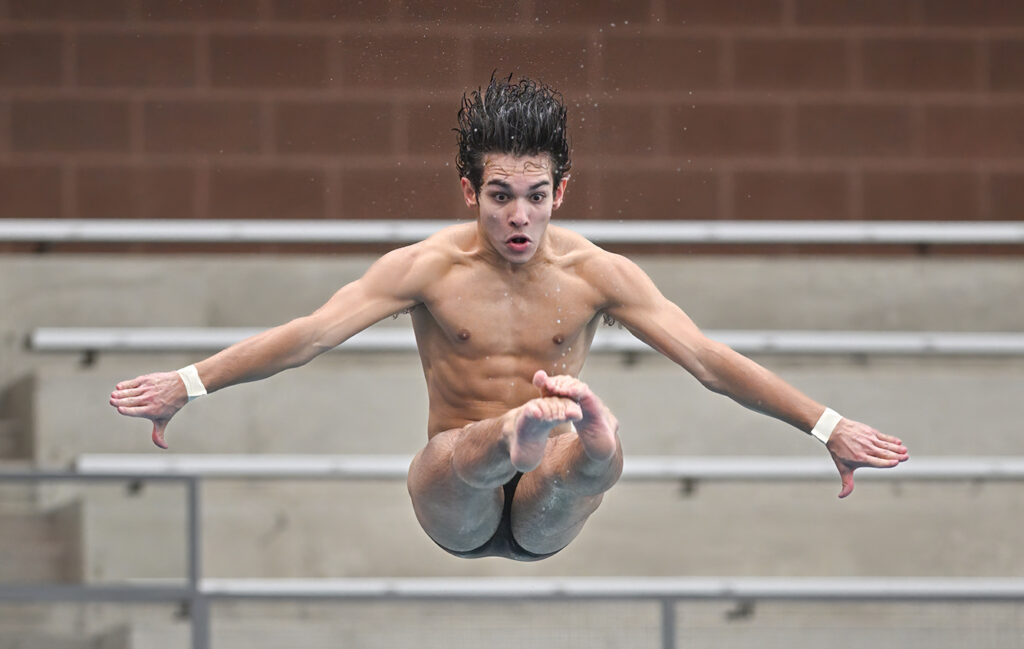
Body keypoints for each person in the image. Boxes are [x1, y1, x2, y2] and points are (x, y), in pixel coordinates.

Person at [109, 76, 909, 561]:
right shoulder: (426, 268)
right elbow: (311, 334)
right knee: (465, 450)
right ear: (469, 189)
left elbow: (707, 359)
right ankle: (517, 434)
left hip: (545, 506)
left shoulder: (599, 275)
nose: (518, 218)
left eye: (535, 196)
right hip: (453, 500)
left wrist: (824, 424)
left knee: (593, 460)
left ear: (562, 190)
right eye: (499, 196)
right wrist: (189, 381)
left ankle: (571, 439)